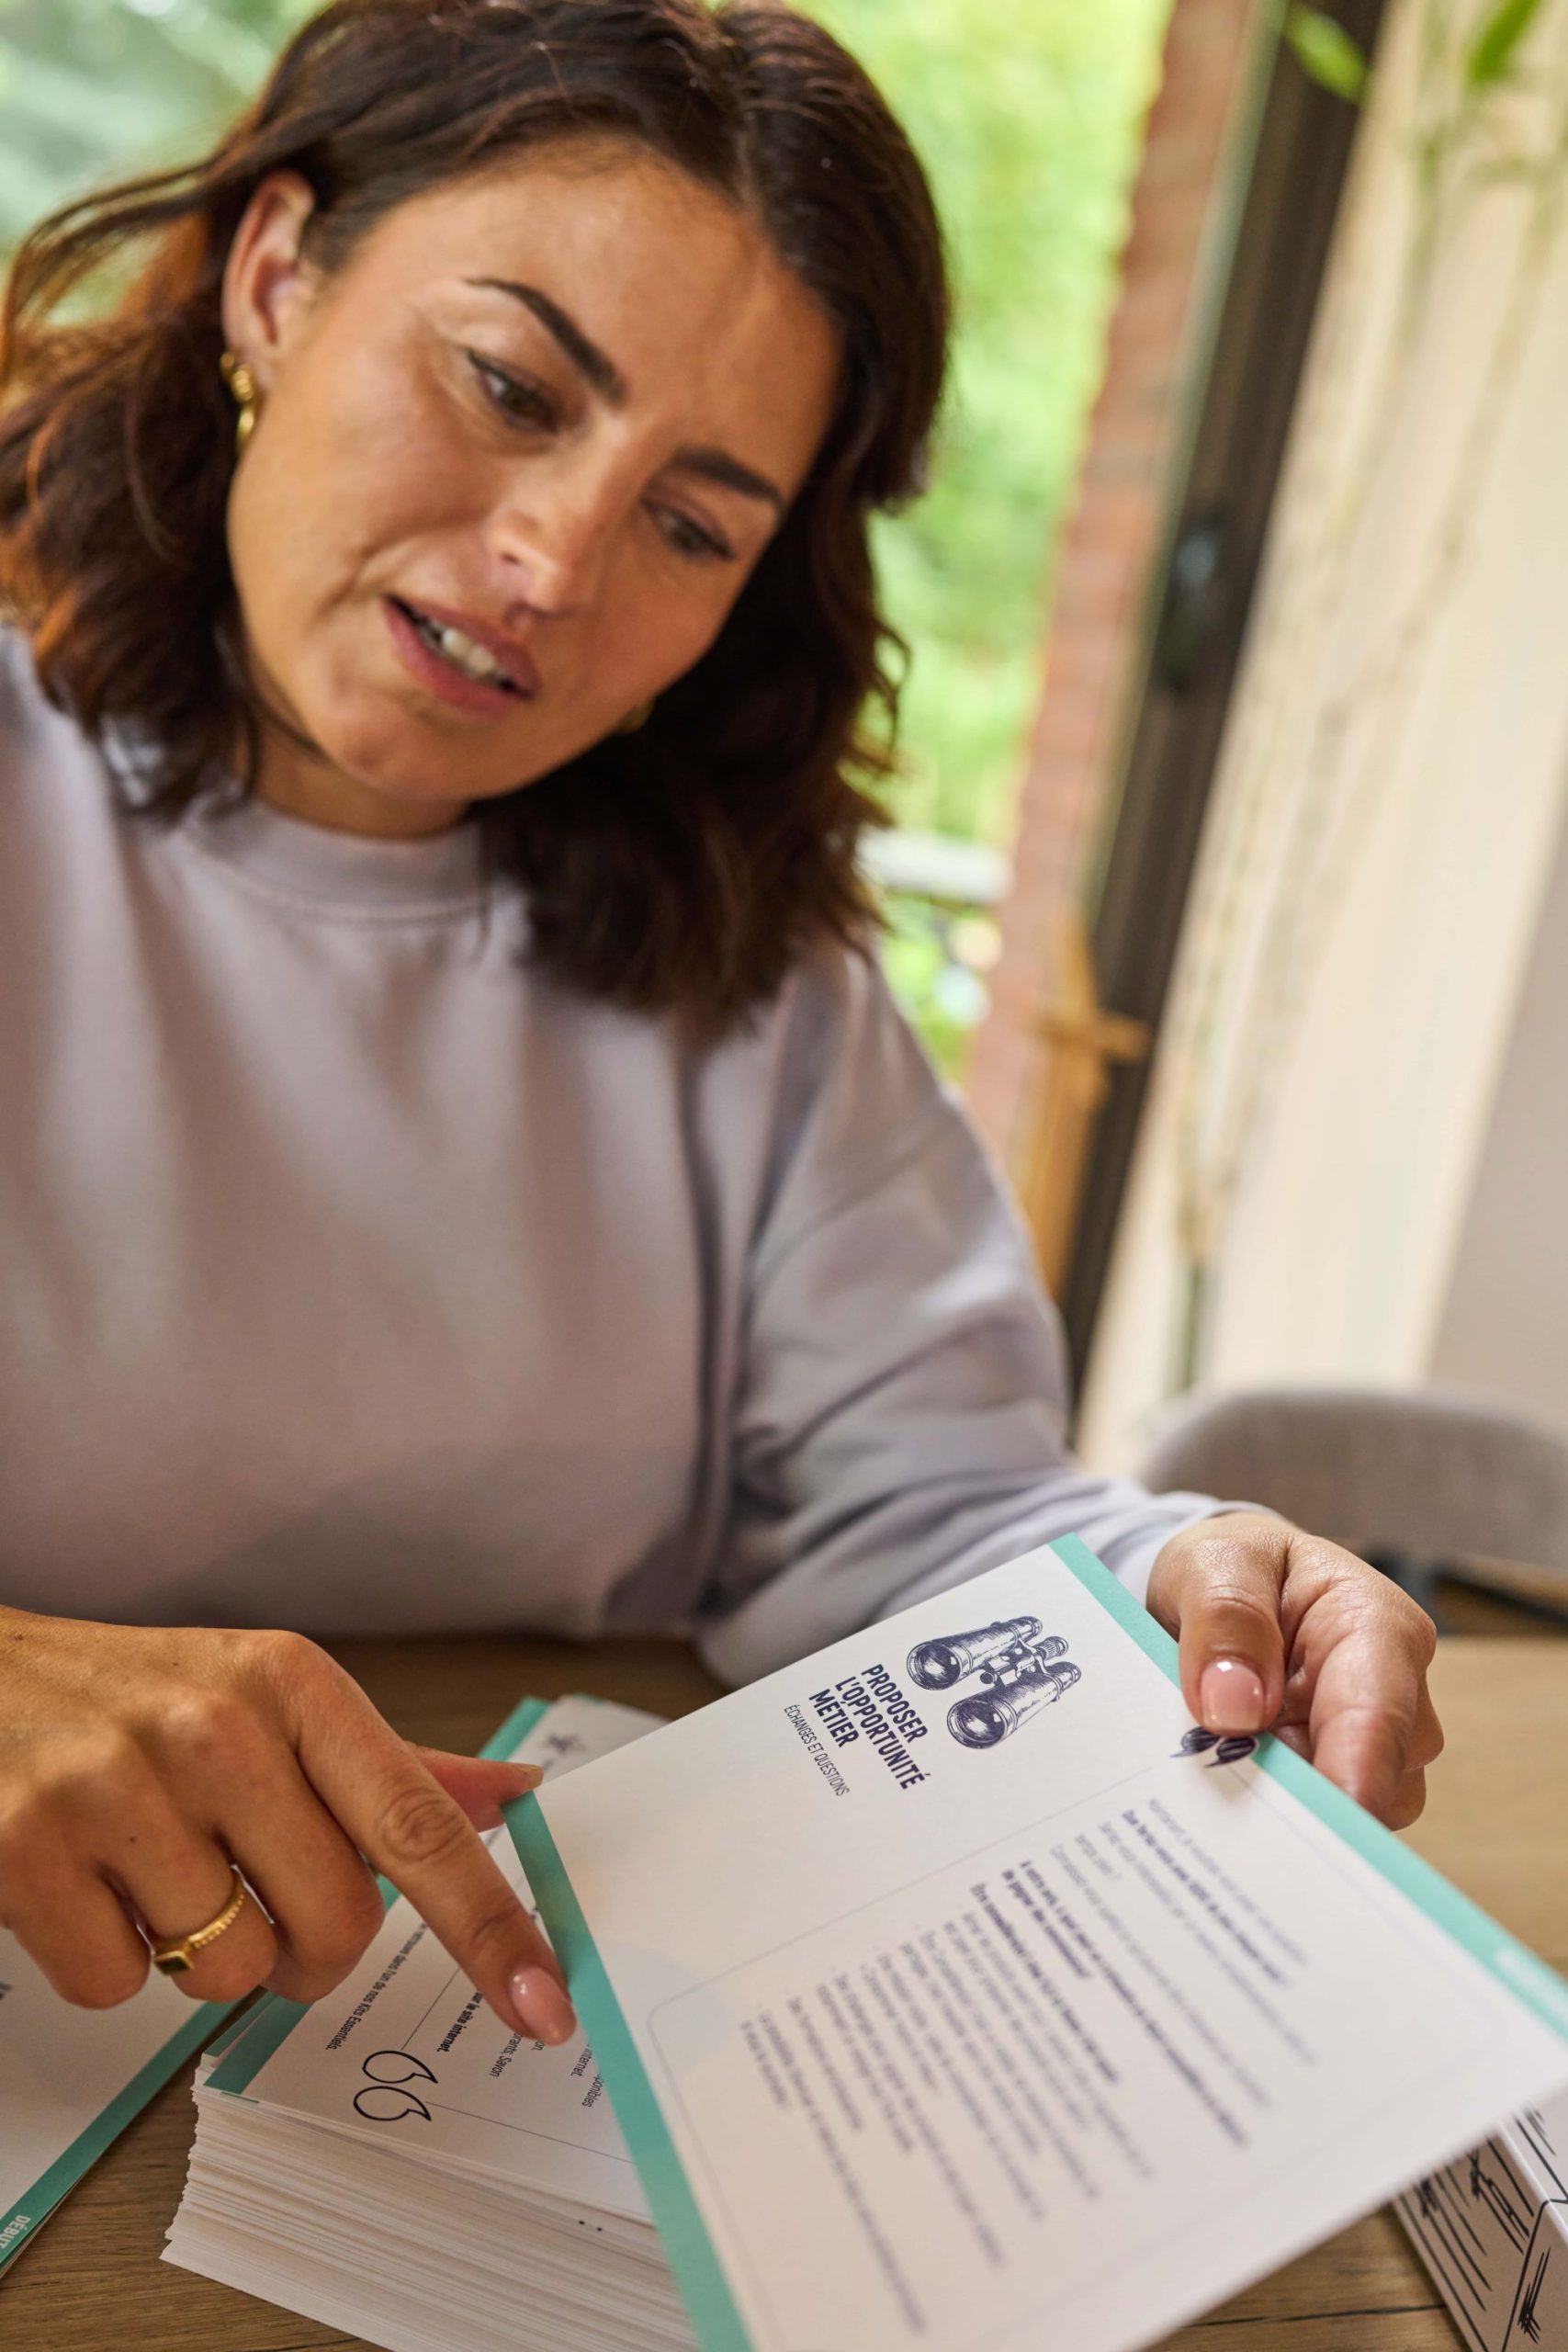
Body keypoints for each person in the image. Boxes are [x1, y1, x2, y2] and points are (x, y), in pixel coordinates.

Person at [0, 0, 1440, 2052]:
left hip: (522, 2017)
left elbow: (928, 1513)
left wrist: (1188, 1574)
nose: (550, 560)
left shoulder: (756, 975)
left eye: (691, 523)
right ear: (277, 276)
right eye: (509, 386)